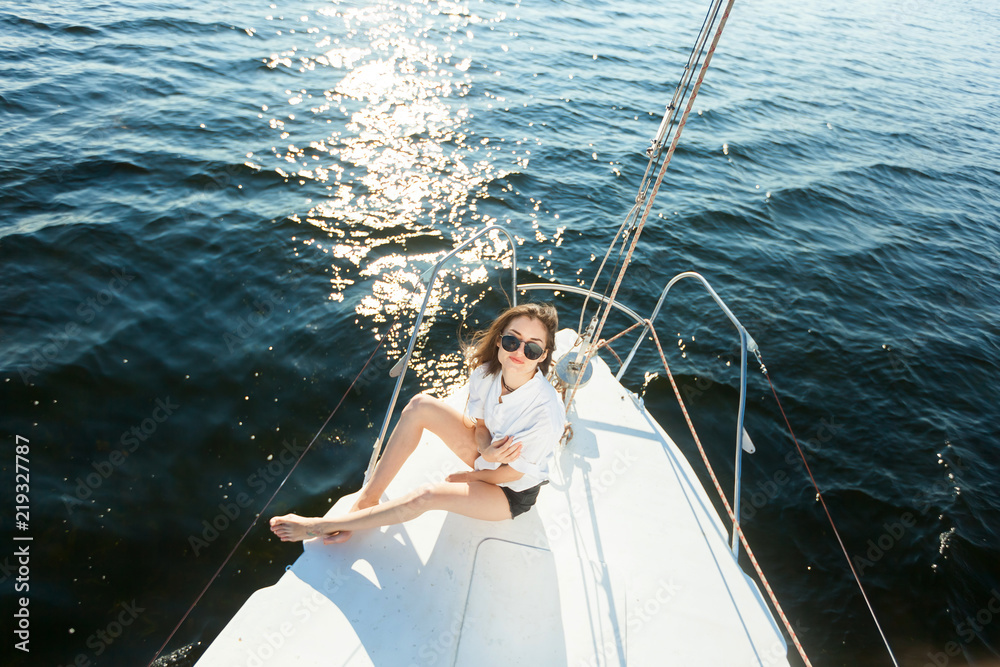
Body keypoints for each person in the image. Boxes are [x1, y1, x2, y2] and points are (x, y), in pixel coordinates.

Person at [269, 302, 565, 544]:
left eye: (532, 348)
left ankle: (321, 526)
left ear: (543, 356)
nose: (518, 352)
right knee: (420, 405)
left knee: (428, 495)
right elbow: (481, 426)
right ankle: (368, 499)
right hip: (487, 460)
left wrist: (474, 477)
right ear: (500, 340)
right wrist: (486, 451)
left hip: (509, 491)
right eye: (513, 340)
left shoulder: (546, 413)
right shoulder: (487, 374)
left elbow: (512, 475)